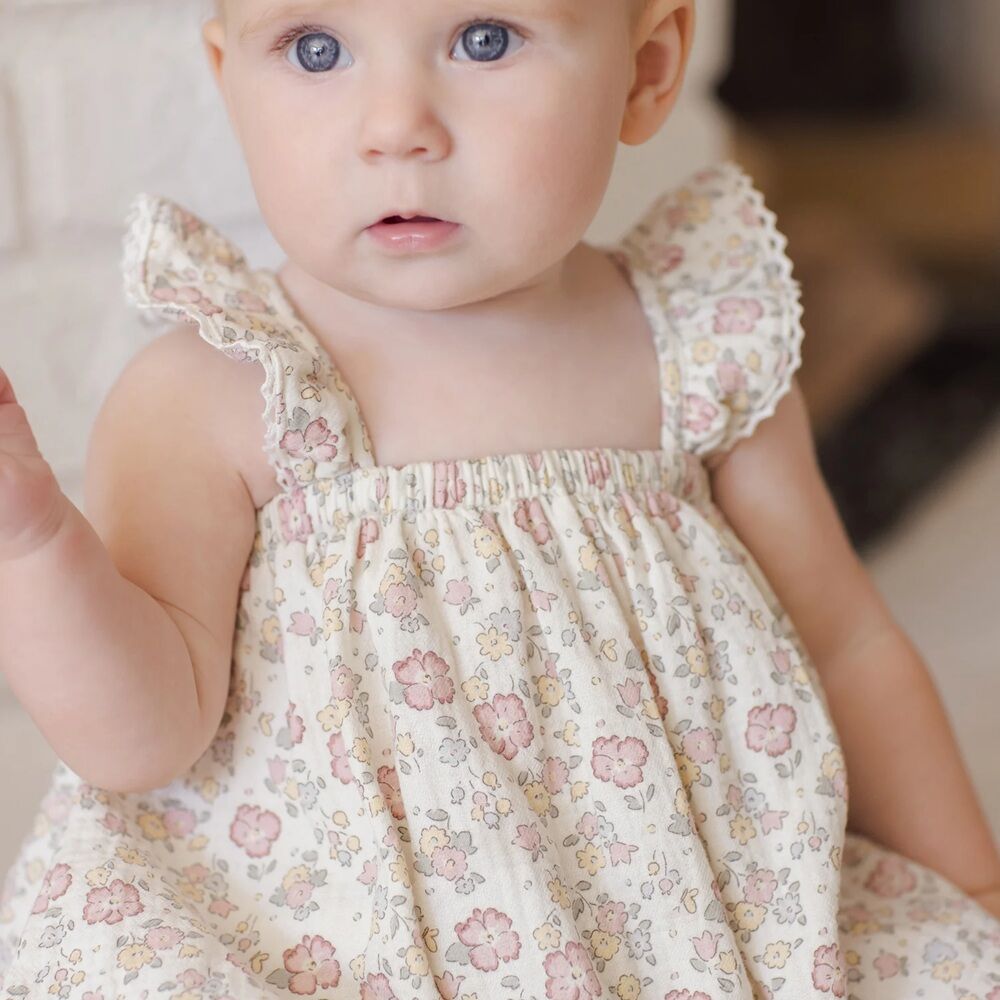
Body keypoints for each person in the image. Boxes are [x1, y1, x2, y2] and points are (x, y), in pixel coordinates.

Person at [1, 1, 998, 996]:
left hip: (683, 930)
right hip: (343, 943)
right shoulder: (220, 388)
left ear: (647, 71)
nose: (396, 127)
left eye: (485, 40)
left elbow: (843, 644)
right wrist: (32, 543)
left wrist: (972, 888)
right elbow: (142, 738)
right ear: (230, 84)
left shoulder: (692, 351)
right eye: (316, 49)